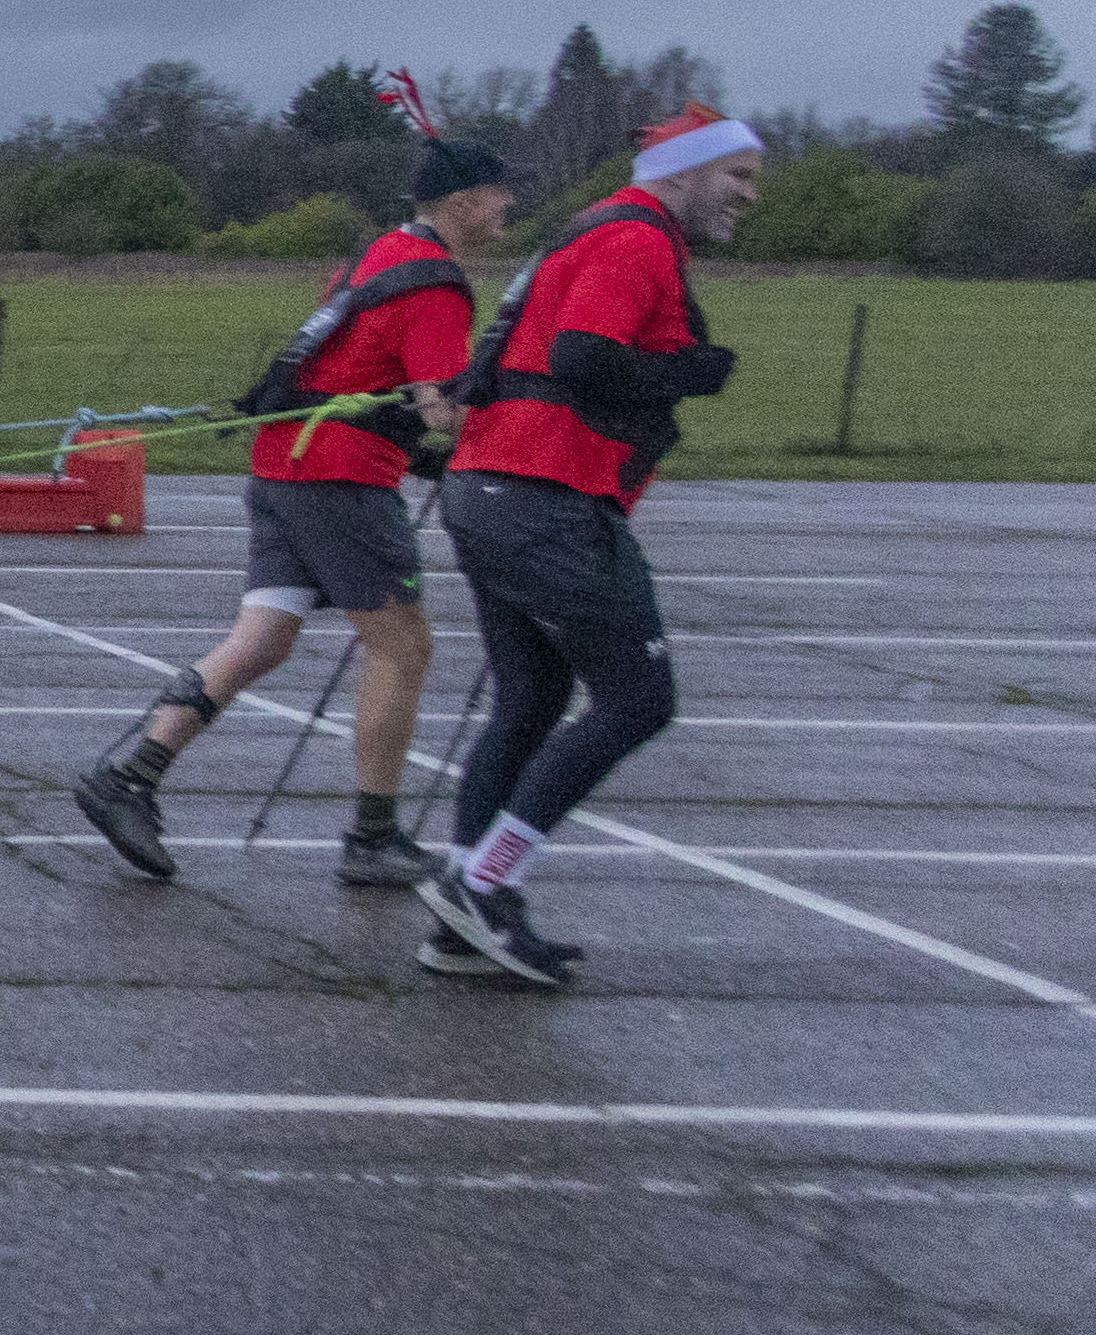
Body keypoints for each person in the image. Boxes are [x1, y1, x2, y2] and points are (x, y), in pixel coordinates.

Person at [72, 133, 510, 887]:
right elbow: (444, 409)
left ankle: (128, 778)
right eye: (503, 194)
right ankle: (372, 837)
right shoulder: (435, 284)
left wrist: (412, 429)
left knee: (264, 637)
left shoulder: (381, 254)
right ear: (466, 201)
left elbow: (362, 372)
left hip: (284, 462)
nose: (510, 208)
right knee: (403, 648)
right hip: (340, 479)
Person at [418, 107, 761, 989]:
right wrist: (689, 372)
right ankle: (485, 882)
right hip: (543, 498)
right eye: (739, 177)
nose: (749, 198)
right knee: (639, 700)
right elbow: (583, 360)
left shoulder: (595, 231)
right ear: (683, 172)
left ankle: (465, 914)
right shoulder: (636, 241)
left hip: (491, 487)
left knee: (531, 697)